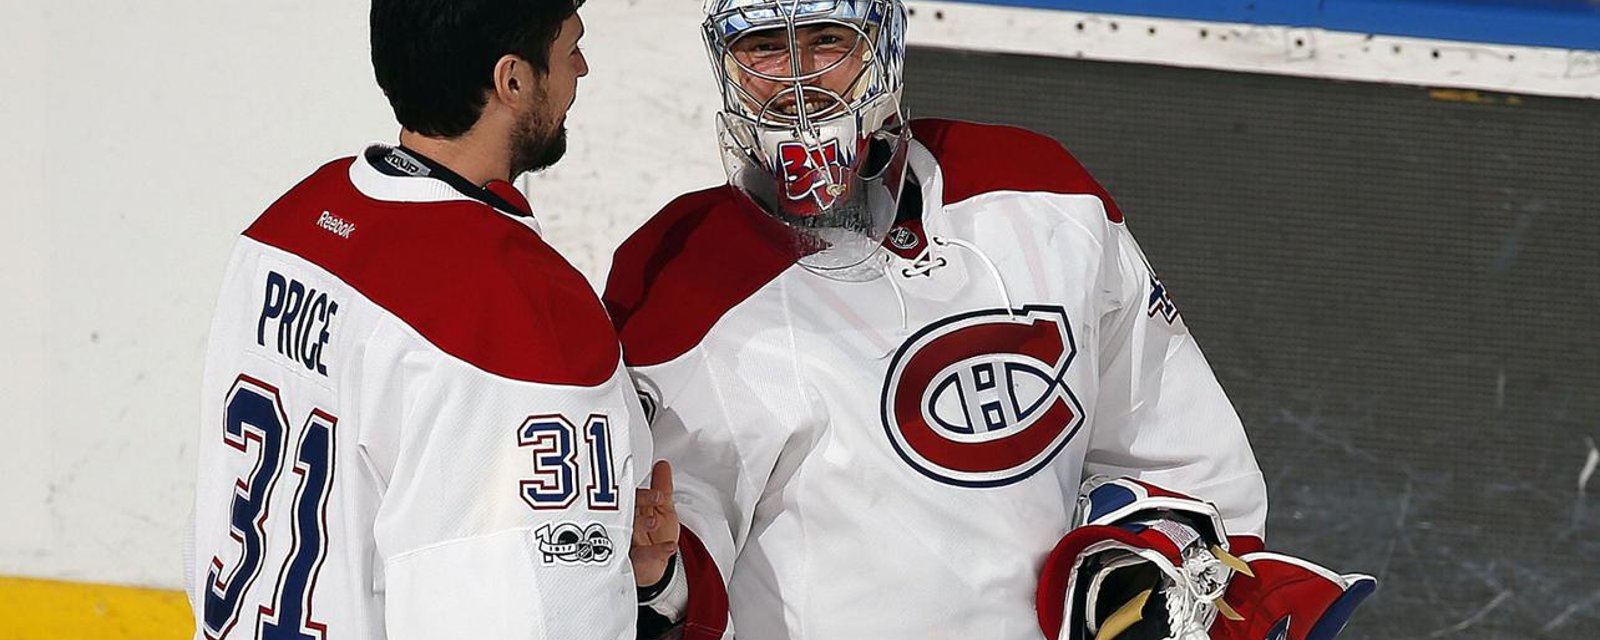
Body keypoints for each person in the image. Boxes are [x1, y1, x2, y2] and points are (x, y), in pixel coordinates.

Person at [607, 2, 1370, 639]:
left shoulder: (1039, 194)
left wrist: (1152, 554)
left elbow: (1181, 458)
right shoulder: (678, 274)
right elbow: (673, 547)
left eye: (828, 40)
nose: (799, 80)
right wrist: (659, 580)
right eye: (765, 46)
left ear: (885, 42)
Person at [186, 2, 661, 638]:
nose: (582, 67)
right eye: (570, 46)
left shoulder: (286, 227)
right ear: (512, 81)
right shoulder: (515, 309)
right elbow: (533, 616)